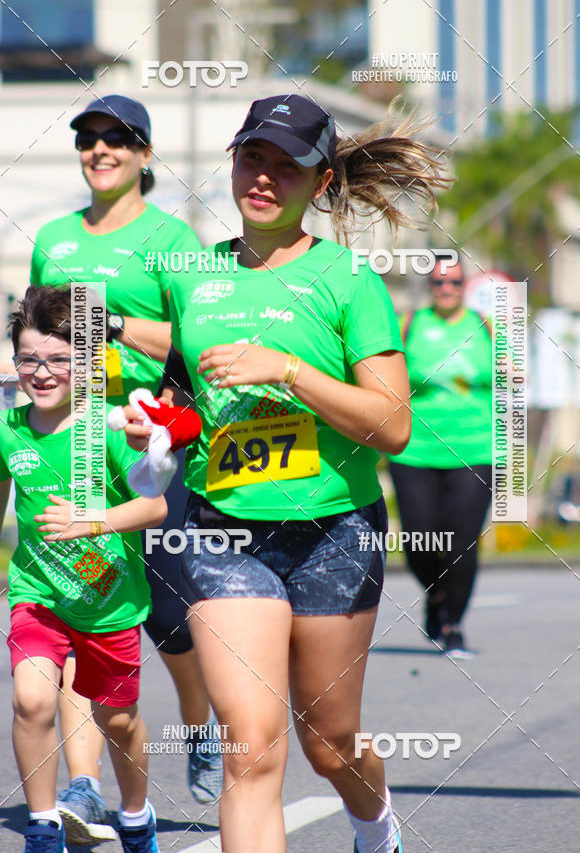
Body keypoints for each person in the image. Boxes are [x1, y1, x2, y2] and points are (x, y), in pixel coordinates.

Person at [123, 94, 450, 853]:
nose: (264, 178)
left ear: (321, 183)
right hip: (223, 536)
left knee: (328, 742)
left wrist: (291, 371)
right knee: (253, 747)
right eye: (252, 158)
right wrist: (158, 431)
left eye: (287, 166)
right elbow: (183, 411)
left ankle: (375, 822)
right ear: (232, 161)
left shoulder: (348, 281)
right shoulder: (191, 280)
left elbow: (393, 425)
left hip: (335, 533)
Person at [28, 94, 221, 843]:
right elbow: (42, 331)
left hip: (157, 446)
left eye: (117, 139)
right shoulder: (53, 238)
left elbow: (199, 334)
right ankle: (84, 782)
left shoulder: (173, 240)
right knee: (82, 611)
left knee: (171, 624)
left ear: (144, 155)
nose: (99, 150)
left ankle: (200, 726)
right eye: (88, 139)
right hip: (79, 445)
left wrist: (108, 321)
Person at [1, 284, 165, 853]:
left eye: (59, 360)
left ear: (89, 366)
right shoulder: (9, 430)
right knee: (32, 701)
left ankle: (137, 816)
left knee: (118, 721)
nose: (41, 373)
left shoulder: (109, 428)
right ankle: (44, 824)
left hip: (110, 603)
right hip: (36, 594)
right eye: (29, 359)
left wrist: (91, 520)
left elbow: (155, 506)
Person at [388, 255, 493, 658]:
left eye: (453, 283)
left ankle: (452, 625)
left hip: (475, 448)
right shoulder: (410, 324)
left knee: (462, 541)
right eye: (438, 283)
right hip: (415, 449)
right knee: (419, 538)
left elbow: (517, 379)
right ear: (429, 287)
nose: (446, 290)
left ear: (464, 285)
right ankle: (434, 594)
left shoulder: (486, 326)